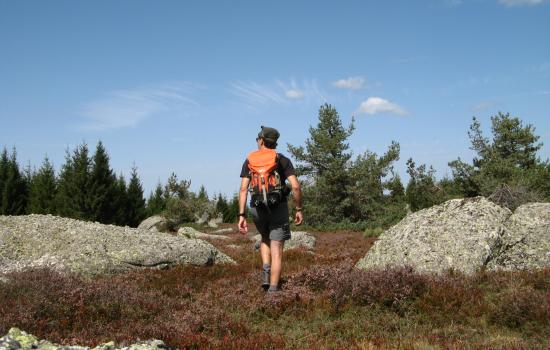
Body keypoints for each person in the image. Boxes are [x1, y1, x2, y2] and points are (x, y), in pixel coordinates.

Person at [238, 126, 303, 292]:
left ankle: (266, 276)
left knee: (265, 238)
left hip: (257, 208)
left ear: (261, 140)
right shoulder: (282, 159)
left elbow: (244, 189)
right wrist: (298, 209)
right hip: (278, 208)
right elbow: (295, 186)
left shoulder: (249, 160)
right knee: (277, 251)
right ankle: (273, 293)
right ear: (274, 143)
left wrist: (241, 215)